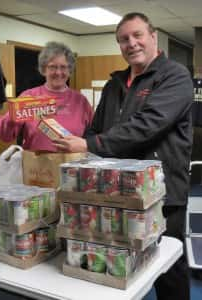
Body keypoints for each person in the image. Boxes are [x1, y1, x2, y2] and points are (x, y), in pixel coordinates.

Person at [53, 12, 193, 300]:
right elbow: (97, 128)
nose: (131, 43)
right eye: (123, 40)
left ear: (153, 36)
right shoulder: (114, 84)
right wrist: (78, 140)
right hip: (115, 191)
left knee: (167, 265)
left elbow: (147, 126)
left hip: (161, 192)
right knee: (118, 261)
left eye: (137, 35)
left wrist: (89, 143)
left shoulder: (175, 76)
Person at [0, 41, 93, 151]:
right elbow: (5, 136)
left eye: (63, 67)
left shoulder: (81, 101)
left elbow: (94, 139)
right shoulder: (29, 97)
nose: (58, 72)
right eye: (52, 67)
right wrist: (12, 116)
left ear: (70, 70)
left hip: (72, 166)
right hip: (36, 166)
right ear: (43, 69)